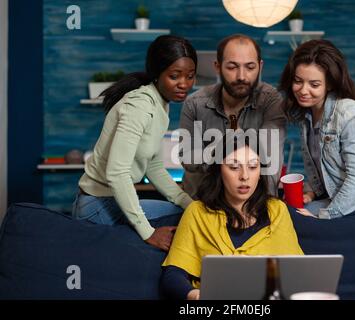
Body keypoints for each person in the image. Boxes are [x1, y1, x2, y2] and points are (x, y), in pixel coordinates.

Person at [72, 35, 197, 251]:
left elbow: (154, 166)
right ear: (157, 75)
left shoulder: (159, 105)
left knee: (191, 213)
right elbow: (116, 173)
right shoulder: (139, 106)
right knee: (185, 219)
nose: (184, 84)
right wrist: (149, 233)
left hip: (105, 202)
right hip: (96, 205)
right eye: (174, 76)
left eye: (190, 76)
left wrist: (189, 202)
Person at [160, 132, 303, 300]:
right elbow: (173, 274)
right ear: (219, 170)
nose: (244, 176)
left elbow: (297, 271)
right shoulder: (197, 212)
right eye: (234, 167)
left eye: (253, 166)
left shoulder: (277, 210)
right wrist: (195, 295)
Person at [279, 39, 355, 219]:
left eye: (314, 84)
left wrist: (323, 216)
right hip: (341, 200)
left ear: (330, 84)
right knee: (288, 218)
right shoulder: (308, 117)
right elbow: (321, 167)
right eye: (298, 81)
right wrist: (311, 193)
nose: (303, 90)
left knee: (303, 227)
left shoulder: (350, 114)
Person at [179, 34, 286, 198]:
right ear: (217, 66)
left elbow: (270, 162)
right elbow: (188, 158)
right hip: (202, 204)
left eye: (250, 67)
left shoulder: (271, 101)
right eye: (232, 67)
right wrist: (227, 149)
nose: (241, 76)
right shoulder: (194, 103)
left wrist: (263, 208)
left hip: (254, 207)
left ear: (260, 66)